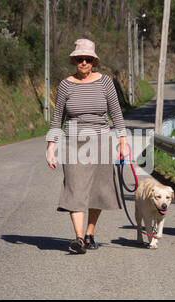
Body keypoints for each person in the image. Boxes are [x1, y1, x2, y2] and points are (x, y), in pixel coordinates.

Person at [46, 39, 127, 253]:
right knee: (75, 188)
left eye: (88, 59)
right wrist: (51, 146)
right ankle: (79, 238)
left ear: (94, 61)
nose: (84, 62)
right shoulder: (65, 84)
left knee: (97, 191)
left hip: (100, 140)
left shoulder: (105, 82)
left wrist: (122, 142)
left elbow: (116, 113)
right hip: (73, 141)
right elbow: (57, 119)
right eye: (80, 59)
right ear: (74, 60)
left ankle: (90, 232)